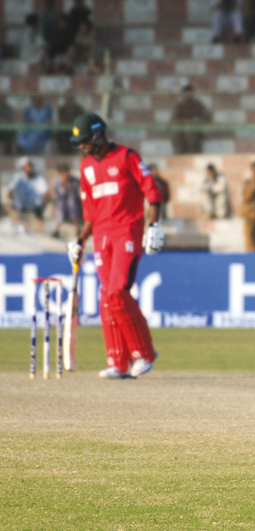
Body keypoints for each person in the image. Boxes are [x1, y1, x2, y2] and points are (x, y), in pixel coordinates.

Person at [67, 113, 164, 379]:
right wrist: (79, 241)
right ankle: (118, 362)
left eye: (85, 139)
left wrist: (154, 225)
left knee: (118, 291)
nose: (82, 145)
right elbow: (90, 213)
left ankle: (143, 354)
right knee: (106, 297)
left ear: (98, 135)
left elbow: (152, 191)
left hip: (127, 231)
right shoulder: (86, 167)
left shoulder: (127, 156)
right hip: (100, 237)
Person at [8, 156, 49, 230]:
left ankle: (41, 228)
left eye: (30, 167)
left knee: (39, 204)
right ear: (23, 168)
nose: (29, 169)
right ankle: (15, 225)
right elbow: (11, 189)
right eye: (26, 167)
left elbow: (45, 191)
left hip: (34, 204)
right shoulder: (18, 177)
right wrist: (11, 195)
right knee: (15, 205)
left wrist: (45, 200)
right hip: (21, 204)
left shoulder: (39, 177)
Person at [171, 85, 211, 154]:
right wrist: (183, 121)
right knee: (181, 130)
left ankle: (193, 153)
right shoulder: (180, 106)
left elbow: (207, 117)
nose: (188, 96)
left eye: (190, 94)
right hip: (183, 128)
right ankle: (180, 152)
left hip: (196, 128)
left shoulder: (198, 105)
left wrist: (197, 121)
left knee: (190, 131)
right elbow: (173, 119)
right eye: (186, 94)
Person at [51, 163, 83, 238]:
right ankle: (56, 230)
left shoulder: (74, 181)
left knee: (72, 204)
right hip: (61, 202)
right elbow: (54, 195)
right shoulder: (56, 181)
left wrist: (68, 185)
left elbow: (77, 194)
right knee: (60, 206)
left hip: (73, 201)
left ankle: (78, 229)